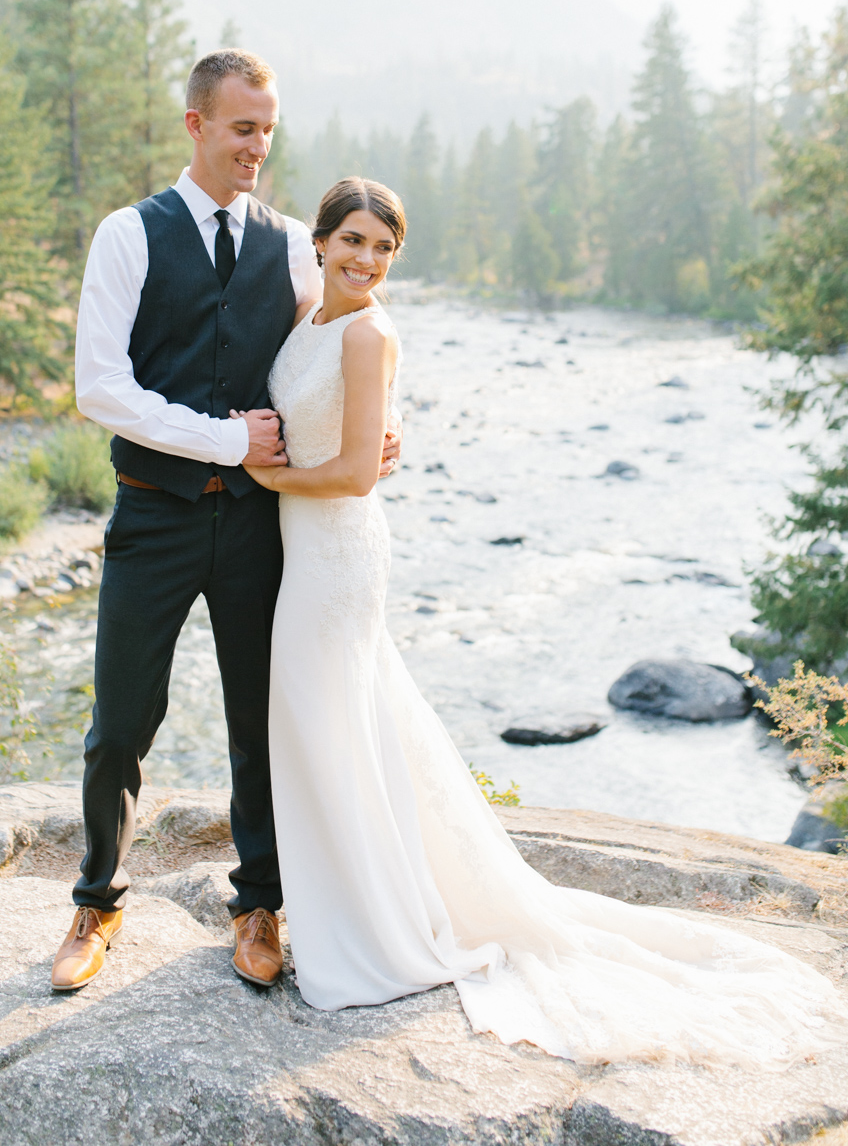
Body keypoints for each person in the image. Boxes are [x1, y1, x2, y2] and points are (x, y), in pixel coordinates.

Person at [244, 174, 847, 1068]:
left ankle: (374, 930)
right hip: (308, 551)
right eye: (354, 241)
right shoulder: (309, 317)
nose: (367, 260)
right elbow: (350, 425)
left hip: (338, 554)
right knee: (335, 728)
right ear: (321, 242)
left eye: (384, 248)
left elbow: (360, 472)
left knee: (334, 724)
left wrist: (267, 477)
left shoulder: (371, 332)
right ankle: (350, 906)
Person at [49, 52, 400, 993]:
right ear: (197, 124)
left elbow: (336, 332)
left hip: (259, 526)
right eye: (244, 128)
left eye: (270, 130)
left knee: (260, 720)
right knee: (120, 722)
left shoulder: (291, 243)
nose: (259, 147)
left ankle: (260, 908)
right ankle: (97, 901)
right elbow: (100, 388)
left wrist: (368, 429)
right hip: (153, 517)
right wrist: (222, 439)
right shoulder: (127, 235)